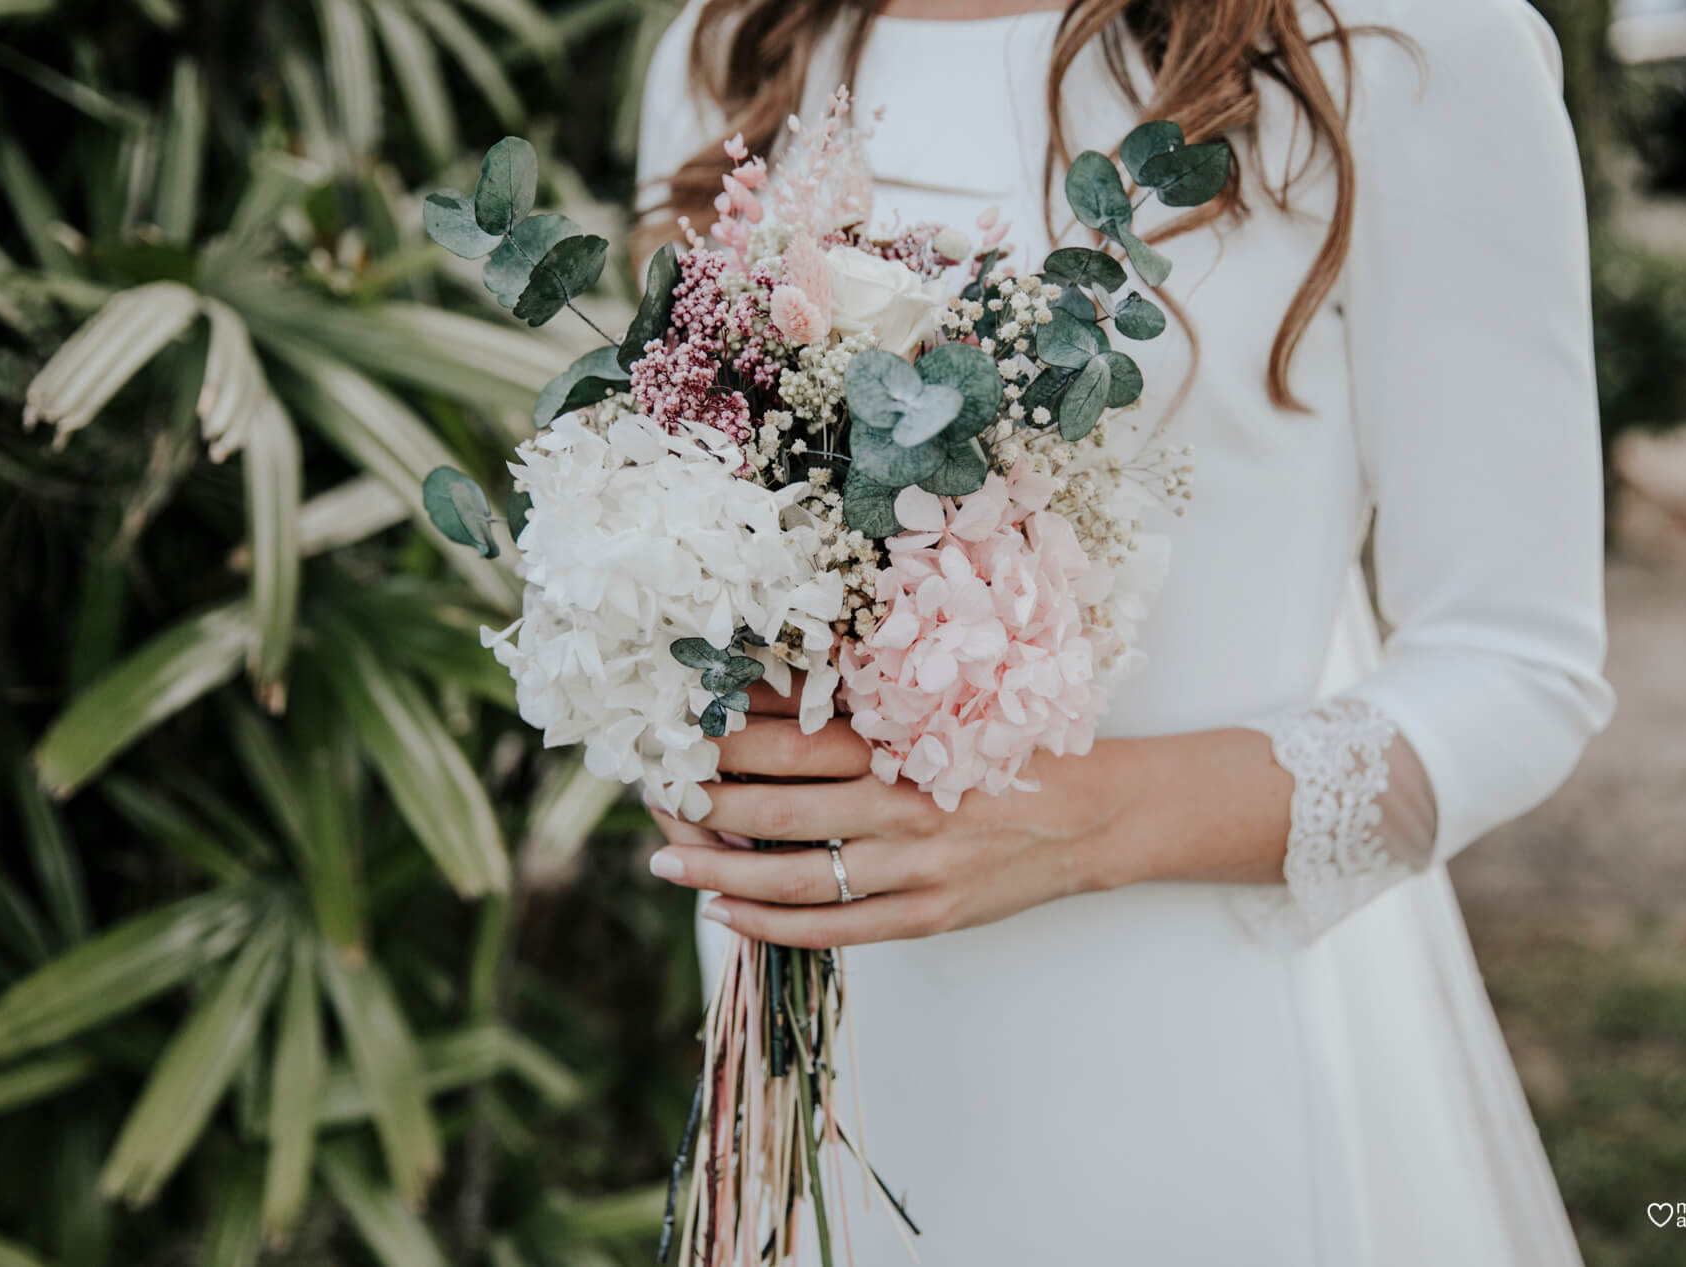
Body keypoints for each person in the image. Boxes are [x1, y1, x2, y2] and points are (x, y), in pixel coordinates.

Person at [635, 1, 1613, 1262]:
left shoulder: (1399, 46)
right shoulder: (734, 43)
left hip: (1177, 1054)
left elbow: (1516, 667)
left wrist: (1076, 818)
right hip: (805, 1051)